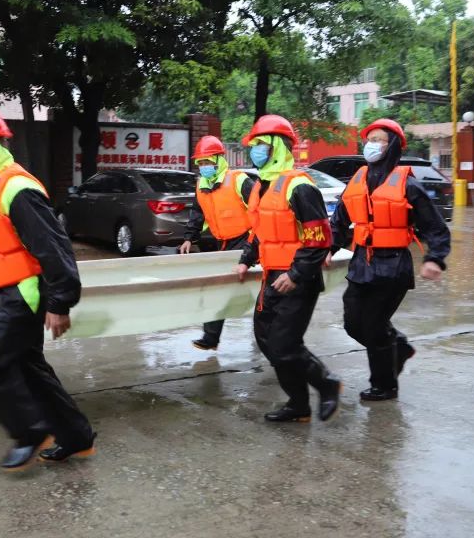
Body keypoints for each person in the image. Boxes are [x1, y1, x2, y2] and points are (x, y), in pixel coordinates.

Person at [0, 107, 95, 471]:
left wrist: (60, 302)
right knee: (30, 369)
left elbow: (54, 248)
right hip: (0, 294)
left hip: (23, 294)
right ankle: (76, 437)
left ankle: (29, 432)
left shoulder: (17, 189)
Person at [330, 118, 450, 401]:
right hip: (361, 262)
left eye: (379, 139)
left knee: (372, 324)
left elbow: (436, 227)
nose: (372, 144)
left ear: (392, 145)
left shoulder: (407, 185)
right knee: (353, 323)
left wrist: (435, 258)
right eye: (369, 139)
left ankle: (384, 385)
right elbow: (338, 221)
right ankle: (398, 347)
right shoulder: (357, 180)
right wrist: (328, 249)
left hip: (392, 264)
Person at [237, 115, 341, 423]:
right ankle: (298, 405)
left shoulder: (299, 186)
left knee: (284, 344)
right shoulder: (261, 186)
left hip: (298, 279)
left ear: (277, 147)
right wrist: (246, 257)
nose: (254, 150)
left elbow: (319, 238)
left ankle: (326, 383)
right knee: (267, 341)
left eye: (260, 145)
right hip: (271, 276)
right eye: (252, 145)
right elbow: (260, 231)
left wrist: (295, 274)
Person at [180, 135, 255, 350]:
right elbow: (197, 213)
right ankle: (211, 338)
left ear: (219, 160)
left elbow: (259, 208)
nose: (204, 167)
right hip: (223, 243)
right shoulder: (202, 185)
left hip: (248, 239)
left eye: (208, 162)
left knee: (244, 288)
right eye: (200, 163)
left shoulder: (239, 180)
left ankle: (269, 330)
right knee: (218, 289)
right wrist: (188, 238)